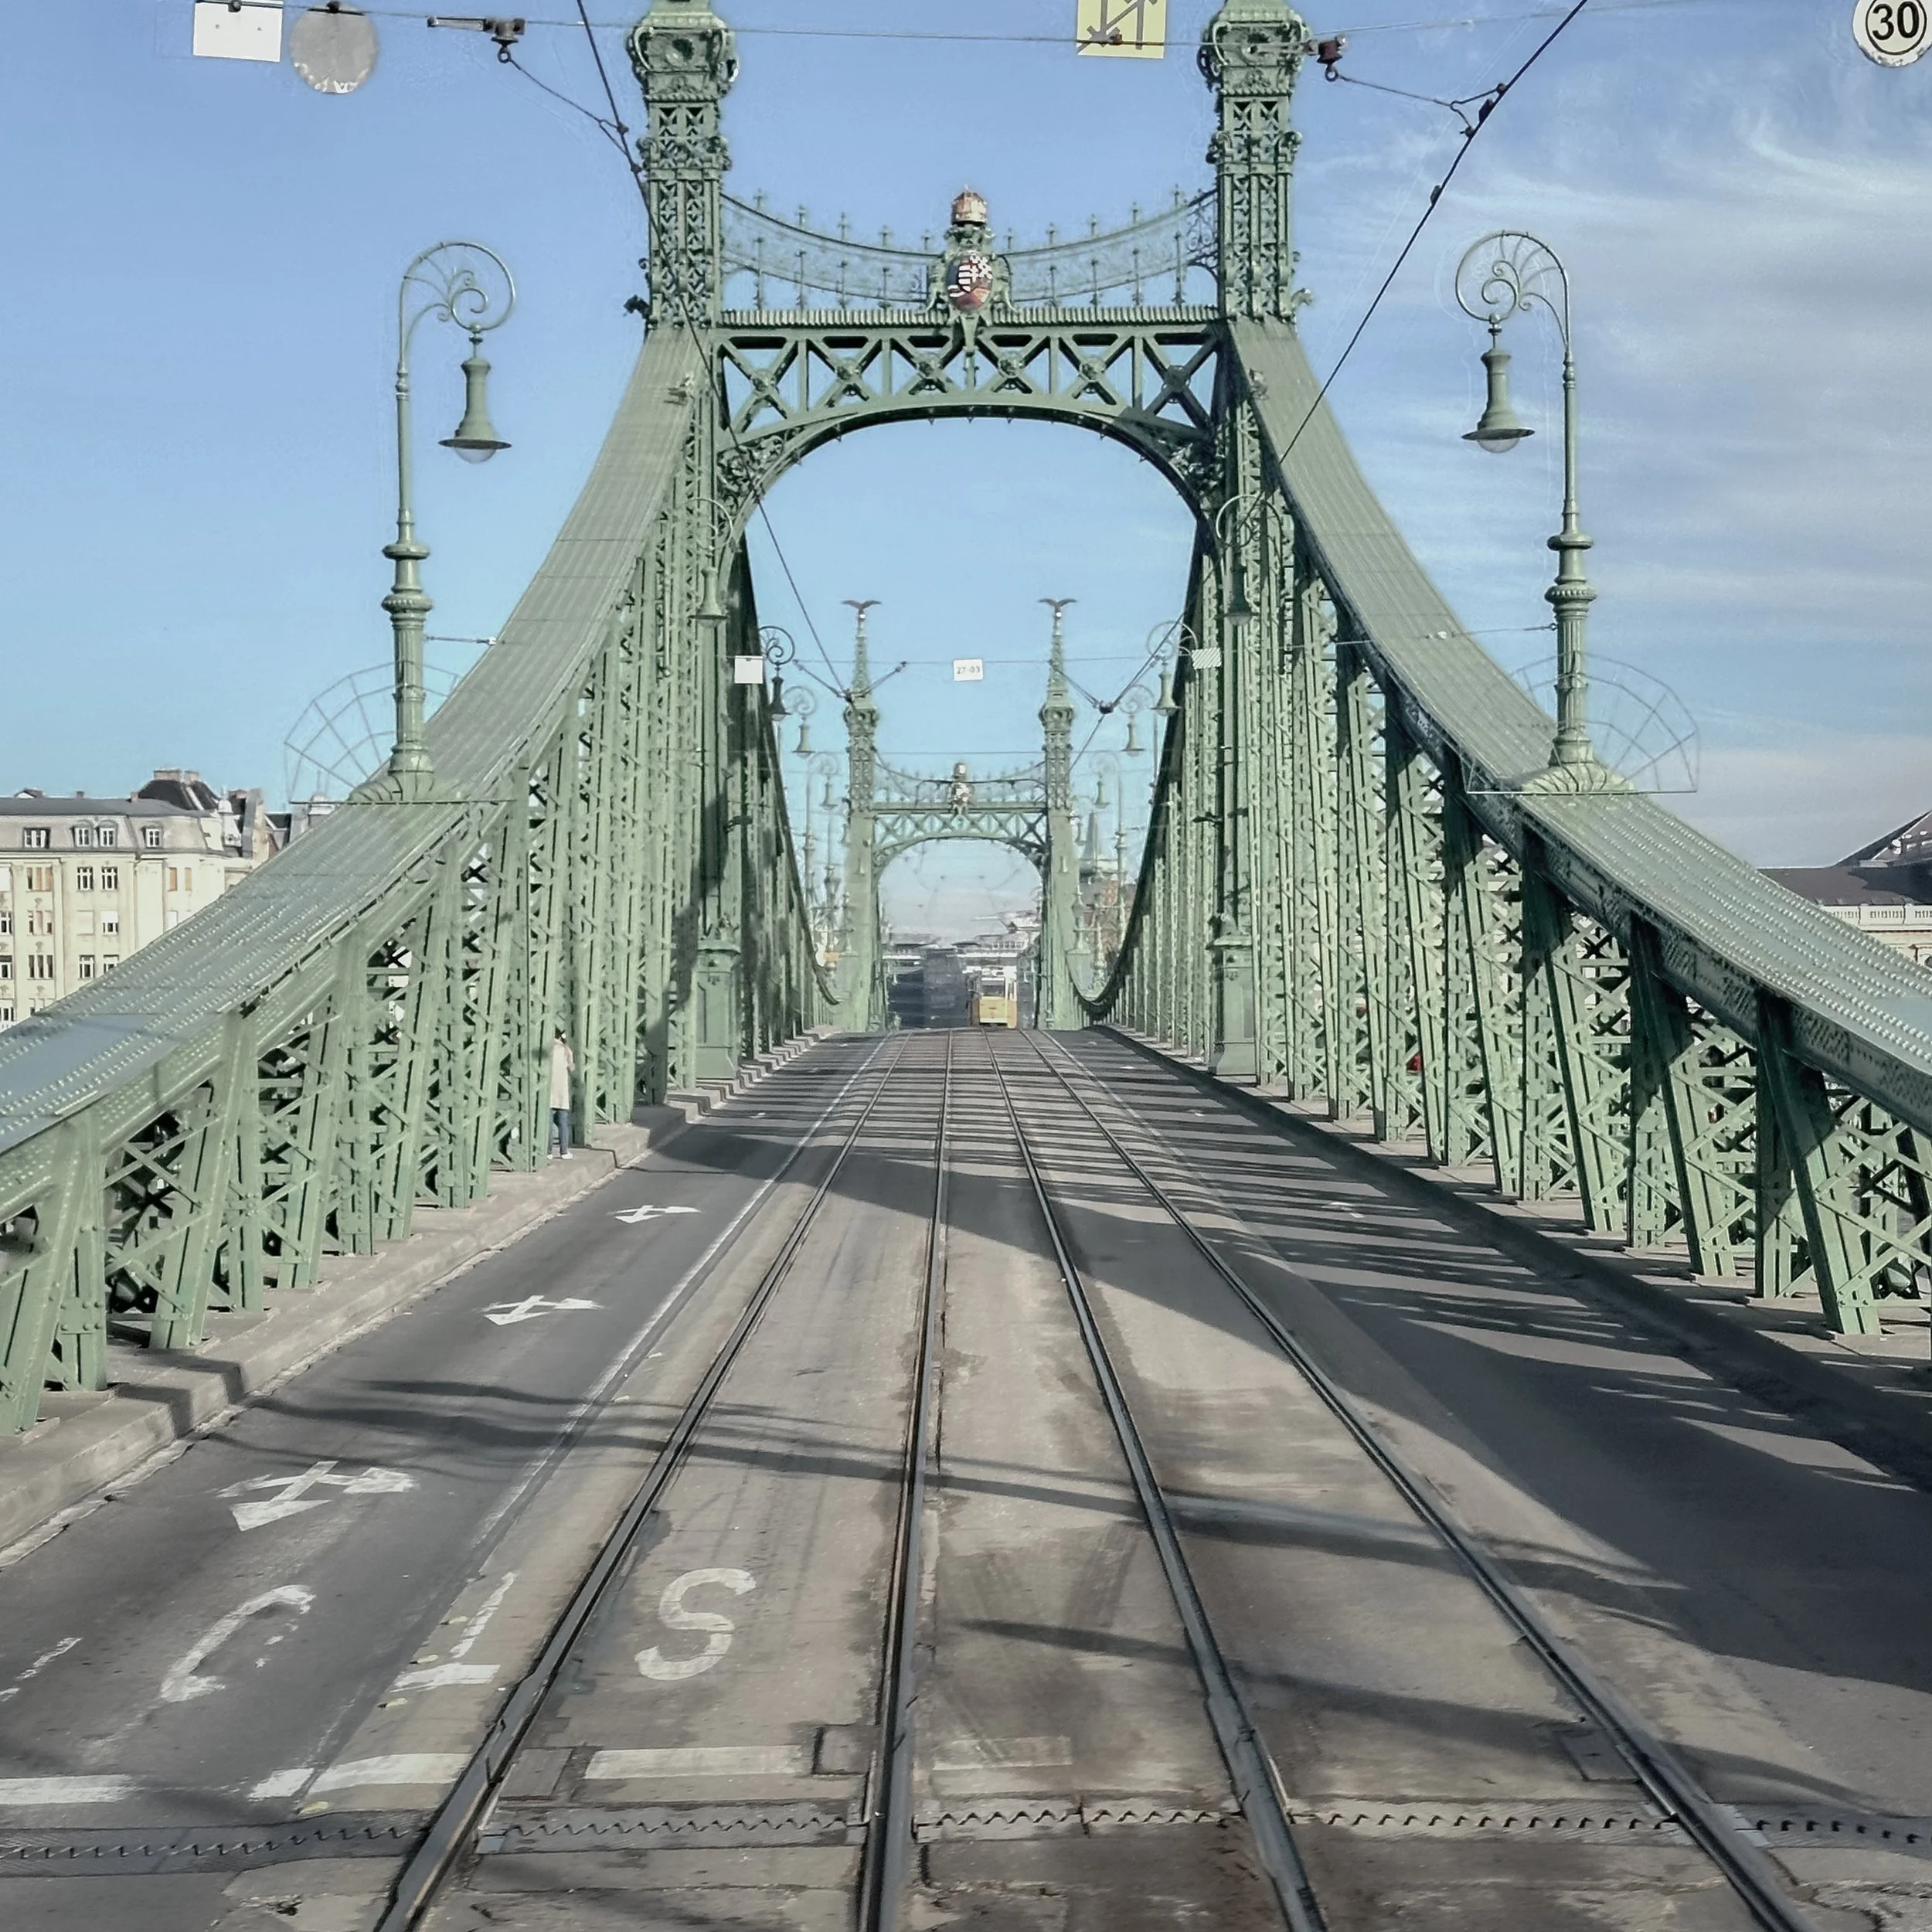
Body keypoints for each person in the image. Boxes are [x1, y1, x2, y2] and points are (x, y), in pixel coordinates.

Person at [549, 1030, 575, 1159]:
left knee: (547, 1124)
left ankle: (548, 1152)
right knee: (563, 1123)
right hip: (562, 1092)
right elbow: (572, 1068)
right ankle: (564, 1151)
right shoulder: (565, 1050)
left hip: (548, 1092)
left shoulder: (545, 1050)